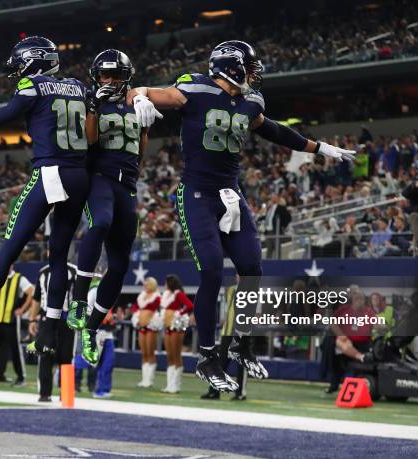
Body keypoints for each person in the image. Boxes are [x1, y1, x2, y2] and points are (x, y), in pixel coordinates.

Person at [128, 40, 355, 390]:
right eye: (249, 67)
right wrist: (139, 97)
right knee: (213, 272)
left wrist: (319, 147)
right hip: (197, 194)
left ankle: (241, 344)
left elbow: (274, 130)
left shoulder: (250, 102)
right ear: (231, 68)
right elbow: (140, 92)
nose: (254, 74)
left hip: (231, 194)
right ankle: (206, 356)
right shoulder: (194, 87)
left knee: (251, 270)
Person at [0, 36, 90, 357]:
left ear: (35, 61)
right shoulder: (78, 87)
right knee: (59, 256)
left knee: (10, 248)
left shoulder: (33, 87)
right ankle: (49, 330)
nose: (16, 69)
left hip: (50, 172)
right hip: (79, 176)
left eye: (20, 62)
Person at [58, 49, 151, 366]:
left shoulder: (137, 101)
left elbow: (142, 142)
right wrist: (94, 107)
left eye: (113, 75)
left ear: (126, 76)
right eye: (103, 75)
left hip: (126, 185)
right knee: (100, 223)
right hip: (100, 176)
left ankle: (91, 329)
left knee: (121, 266)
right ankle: (79, 299)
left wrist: (137, 169)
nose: (107, 80)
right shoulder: (90, 99)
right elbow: (90, 139)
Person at [28, 261, 77, 401]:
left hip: (66, 319)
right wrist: (32, 319)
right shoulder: (43, 272)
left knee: (66, 357)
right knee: (45, 356)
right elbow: (36, 298)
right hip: (45, 319)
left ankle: (66, 395)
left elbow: (81, 297)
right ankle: (44, 394)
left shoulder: (74, 271)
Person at [0, 265, 33, 385]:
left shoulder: (19, 279)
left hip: (11, 321)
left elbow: (31, 292)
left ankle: (21, 377)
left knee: (15, 350)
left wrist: (22, 309)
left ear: (12, 265)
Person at [160, 274, 193, 393]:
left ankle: (176, 385)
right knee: (169, 356)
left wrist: (179, 313)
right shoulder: (166, 295)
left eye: (165, 283)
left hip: (177, 326)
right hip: (168, 326)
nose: (164, 285)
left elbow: (190, 305)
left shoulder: (178, 293)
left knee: (176, 355)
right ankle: (169, 385)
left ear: (170, 283)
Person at [132, 276, 161, 388]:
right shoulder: (142, 296)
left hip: (151, 326)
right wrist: (138, 316)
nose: (145, 286)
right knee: (144, 353)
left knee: (150, 352)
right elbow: (134, 308)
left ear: (152, 285)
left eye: (147, 284)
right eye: (145, 284)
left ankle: (150, 380)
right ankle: (144, 379)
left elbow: (158, 307)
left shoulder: (157, 296)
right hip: (141, 326)